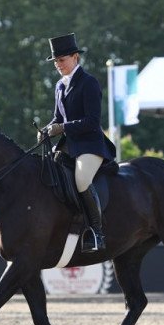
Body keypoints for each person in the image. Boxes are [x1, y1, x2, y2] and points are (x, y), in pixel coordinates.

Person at [41, 33, 116, 253]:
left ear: (75, 58)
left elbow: (93, 121)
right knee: (48, 173)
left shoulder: (89, 83)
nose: (58, 65)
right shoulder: (59, 86)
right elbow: (58, 118)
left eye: (62, 60)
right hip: (69, 145)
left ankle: (97, 233)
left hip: (91, 144)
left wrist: (62, 128)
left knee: (82, 180)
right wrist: (47, 129)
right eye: (55, 61)